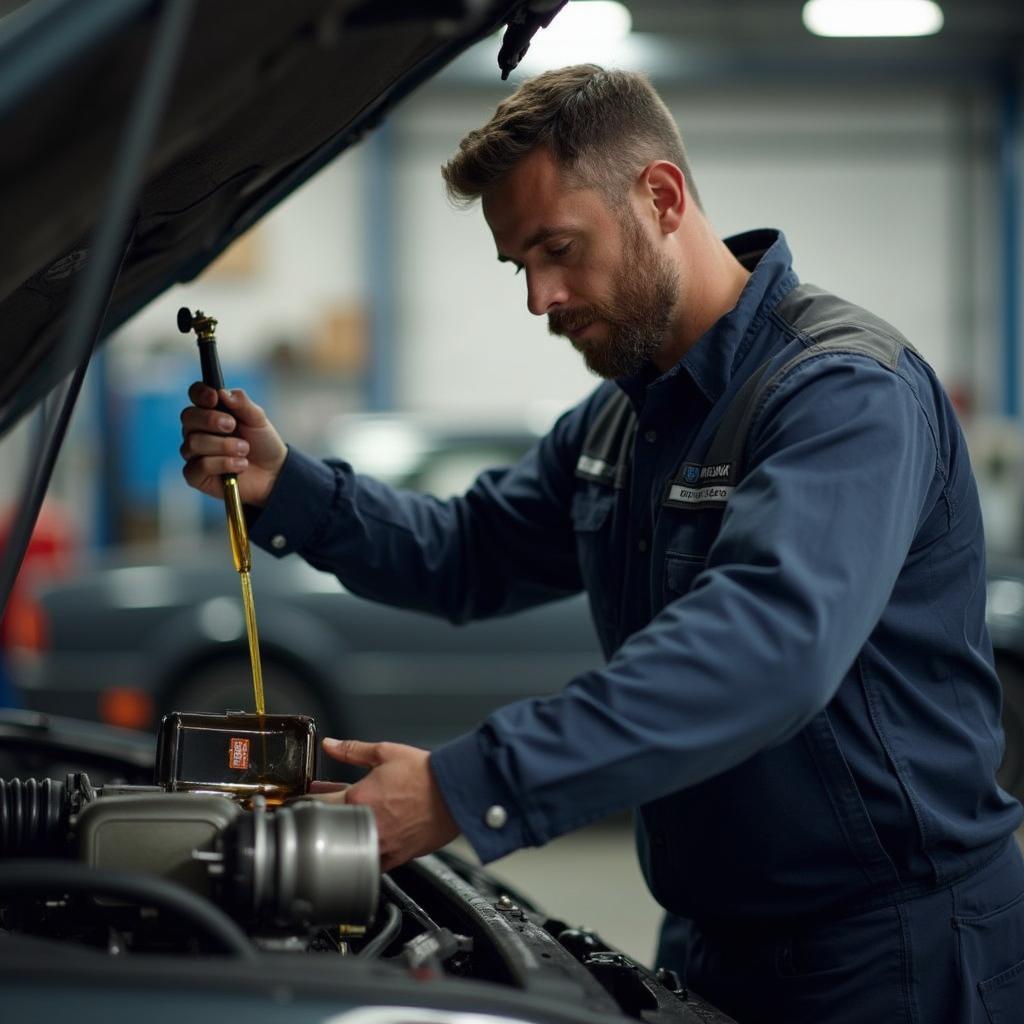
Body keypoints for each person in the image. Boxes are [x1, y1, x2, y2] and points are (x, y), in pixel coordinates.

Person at [179, 65, 1024, 1023]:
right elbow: (467, 549)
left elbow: (767, 647)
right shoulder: (625, 422)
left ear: (660, 197)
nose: (541, 298)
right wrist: (287, 486)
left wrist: (466, 786)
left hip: (893, 957)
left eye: (558, 249)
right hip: (713, 941)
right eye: (519, 266)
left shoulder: (840, 394)